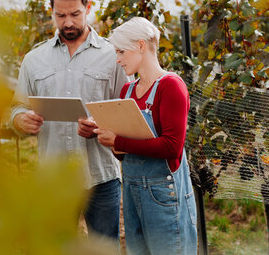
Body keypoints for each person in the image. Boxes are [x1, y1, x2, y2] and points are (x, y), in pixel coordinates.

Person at [10, 0, 129, 241]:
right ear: (51, 11)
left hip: (100, 177)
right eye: (60, 15)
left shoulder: (113, 56)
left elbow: (127, 111)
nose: (68, 22)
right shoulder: (34, 59)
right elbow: (16, 108)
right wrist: (20, 120)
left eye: (75, 14)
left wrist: (101, 127)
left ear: (88, 8)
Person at [80, 17, 197, 254]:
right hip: (133, 190)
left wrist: (119, 141)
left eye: (121, 51)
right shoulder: (128, 90)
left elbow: (172, 147)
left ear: (141, 46)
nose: (118, 59)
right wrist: (106, 135)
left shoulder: (171, 86)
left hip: (164, 194)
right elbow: (124, 155)